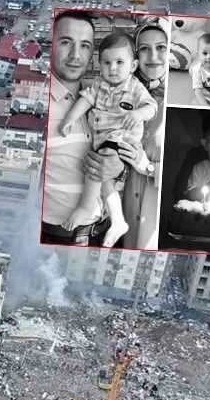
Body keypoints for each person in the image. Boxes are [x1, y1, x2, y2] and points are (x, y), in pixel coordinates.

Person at [57, 32, 158, 248]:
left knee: (98, 167)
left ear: (132, 66)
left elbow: (151, 107)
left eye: (120, 62)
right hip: (103, 141)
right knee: (105, 181)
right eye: (107, 63)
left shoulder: (135, 87)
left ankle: (85, 208)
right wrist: (69, 119)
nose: (113, 68)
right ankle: (118, 220)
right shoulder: (99, 84)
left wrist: (138, 114)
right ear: (99, 64)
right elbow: (85, 101)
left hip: (122, 138)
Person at [43, 11, 126, 246]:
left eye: (85, 46)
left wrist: (119, 168)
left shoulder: (103, 96)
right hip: (58, 238)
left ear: (92, 55)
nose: (75, 55)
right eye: (66, 42)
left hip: (105, 234)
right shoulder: (39, 107)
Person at [122, 18, 167, 249]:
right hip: (117, 205)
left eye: (161, 47)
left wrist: (148, 168)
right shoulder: (121, 93)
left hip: (151, 214)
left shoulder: (182, 102)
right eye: (144, 49)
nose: (153, 56)